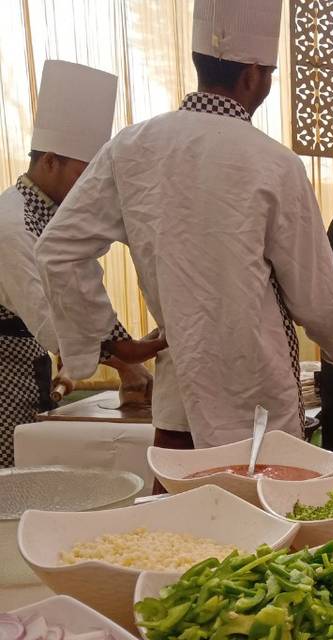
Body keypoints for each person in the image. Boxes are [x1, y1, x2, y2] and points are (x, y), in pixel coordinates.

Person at [36, 0, 333, 452]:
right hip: (258, 412)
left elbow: (58, 250)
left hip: (181, 406)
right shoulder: (274, 163)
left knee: (177, 520)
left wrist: (106, 340)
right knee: (265, 520)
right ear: (252, 74)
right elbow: (314, 296)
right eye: (268, 73)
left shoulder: (130, 147)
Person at [0, 60, 160, 467]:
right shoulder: (12, 224)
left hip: (27, 372)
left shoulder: (55, 216)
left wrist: (130, 353)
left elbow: (84, 286)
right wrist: (128, 359)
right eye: (84, 174)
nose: (92, 186)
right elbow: (53, 322)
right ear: (50, 161)